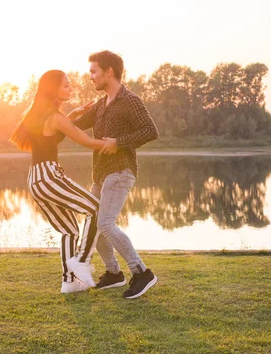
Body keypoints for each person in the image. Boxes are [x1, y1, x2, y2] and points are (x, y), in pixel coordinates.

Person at [72, 50, 159, 299]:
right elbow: (74, 126)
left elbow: (151, 131)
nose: (90, 77)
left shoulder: (129, 100)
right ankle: (113, 274)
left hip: (120, 170)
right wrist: (60, 117)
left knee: (105, 223)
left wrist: (118, 142)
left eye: (93, 71)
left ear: (109, 72)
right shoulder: (101, 104)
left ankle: (142, 272)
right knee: (93, 223)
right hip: (101, 174)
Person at [10, 69, 105, 294]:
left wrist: (71, 116)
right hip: (49, 176)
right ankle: (82, 260)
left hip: (36, 180)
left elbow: (53, 134)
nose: (71, 88)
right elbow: (86, 141)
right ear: (53, 89)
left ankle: (69, 282)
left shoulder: (40, 114)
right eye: (66, 85)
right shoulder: (54, 116)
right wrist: (116, 143)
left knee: (70, 230)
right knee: (95, 208)